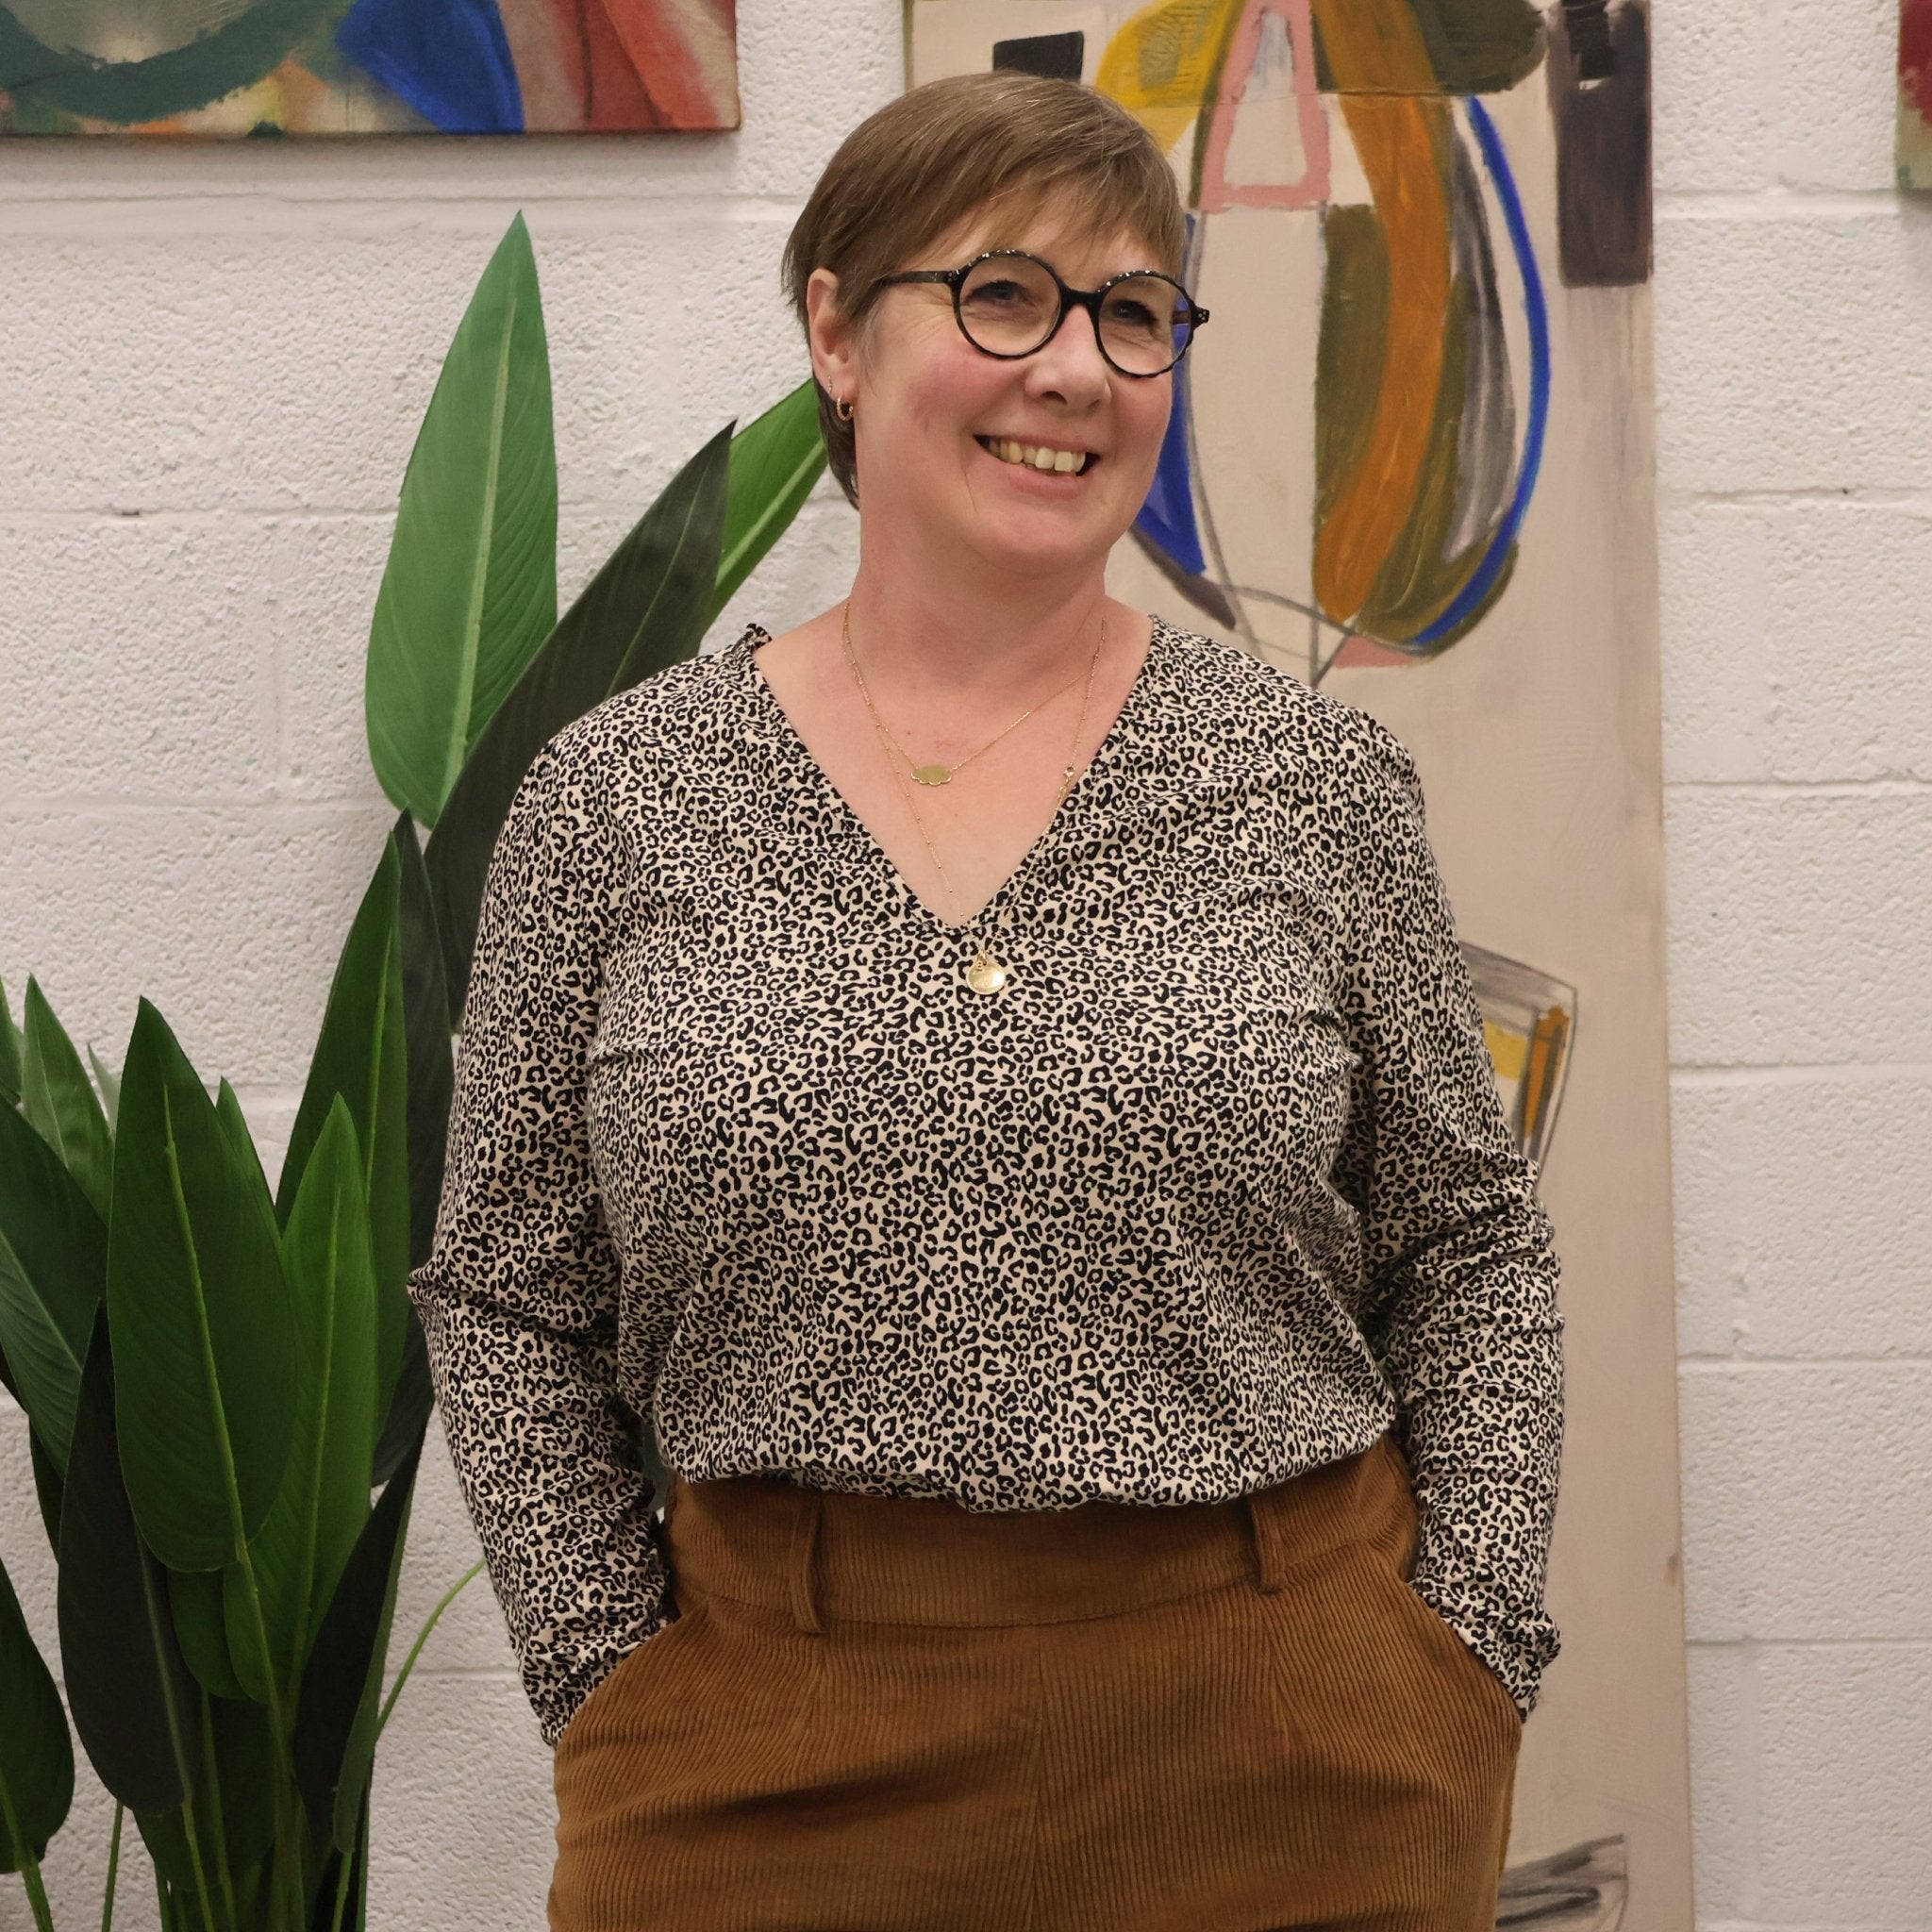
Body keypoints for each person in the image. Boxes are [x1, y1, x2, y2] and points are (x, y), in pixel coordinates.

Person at [408, 68, 1564, 1932]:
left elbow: (1468, 1242)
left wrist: (1470, 1642)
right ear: (836, 332)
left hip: (1295, 1751)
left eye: (1132, 314)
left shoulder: (1309, 780)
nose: (1077, 370)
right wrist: (607, 1672)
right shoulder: (618, 801)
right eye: (1002, 296)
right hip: (758, 1760)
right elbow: (504, 1292)